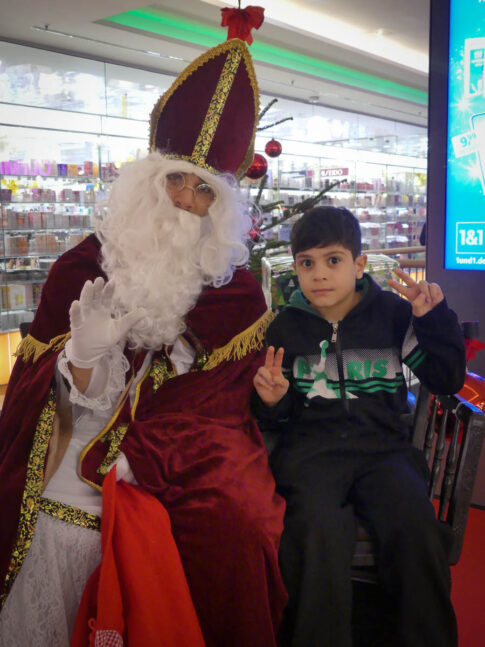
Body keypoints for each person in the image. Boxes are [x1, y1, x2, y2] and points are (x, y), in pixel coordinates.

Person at [0, 34, 287, 647]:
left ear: (219, 209)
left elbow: (220, 407)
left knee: (239, 526)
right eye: (177, 180)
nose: (186, 201)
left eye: (204, 190)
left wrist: (148, 450)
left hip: (185, 448)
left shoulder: (236, 295)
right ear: (148, 182)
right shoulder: (83, 266)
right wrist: (81, 357)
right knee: (59, 518)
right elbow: (38, 402)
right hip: (79, 432)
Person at [251, 205, 466, 647]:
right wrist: (271, 400)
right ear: (295, 268)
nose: (319, 274)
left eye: (333, 260)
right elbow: (276, 414)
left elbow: (445, 379)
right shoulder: (284, 328)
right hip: (311, 455)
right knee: (315, 531)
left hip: (384, 451)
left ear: (359, 263)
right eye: (306, 263)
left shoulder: (392, 315)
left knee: (414, 527)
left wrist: (433, 321)